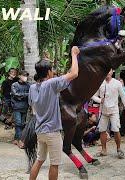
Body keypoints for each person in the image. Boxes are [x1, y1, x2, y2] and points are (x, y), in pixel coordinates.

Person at [29, 46, 79, 180]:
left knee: (39, 160)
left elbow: (32, 106)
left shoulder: (33, 87)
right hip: (52, 131)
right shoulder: (51, 83)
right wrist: (74, 54)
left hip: (40, 131)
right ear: (49, 72)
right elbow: (74, 73)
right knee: (55, 164)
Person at [92, 69, 125, 159]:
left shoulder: (117, 83)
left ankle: (119, 149)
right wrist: (99, 100)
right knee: (102, 130)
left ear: (112, 72)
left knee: (116, 129)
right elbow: (93, 95)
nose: (107, 72)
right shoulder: (100, 83)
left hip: (114, 110)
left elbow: (123, 96)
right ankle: (103, 150)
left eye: (109, 71)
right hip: (103, 111)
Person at [11, 70, 30, 148]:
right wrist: (26, 94)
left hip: (25, 107)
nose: (25, 77)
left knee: (22, 124)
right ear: (19, 76)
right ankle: (20, 141)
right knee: (18, 123)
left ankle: (16, 139)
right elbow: (16, 95)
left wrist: (22, 95)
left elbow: (31, 94)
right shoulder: (14, 85)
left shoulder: (28, 85)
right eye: (24, 75)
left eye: (26, 75)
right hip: (16, 107)